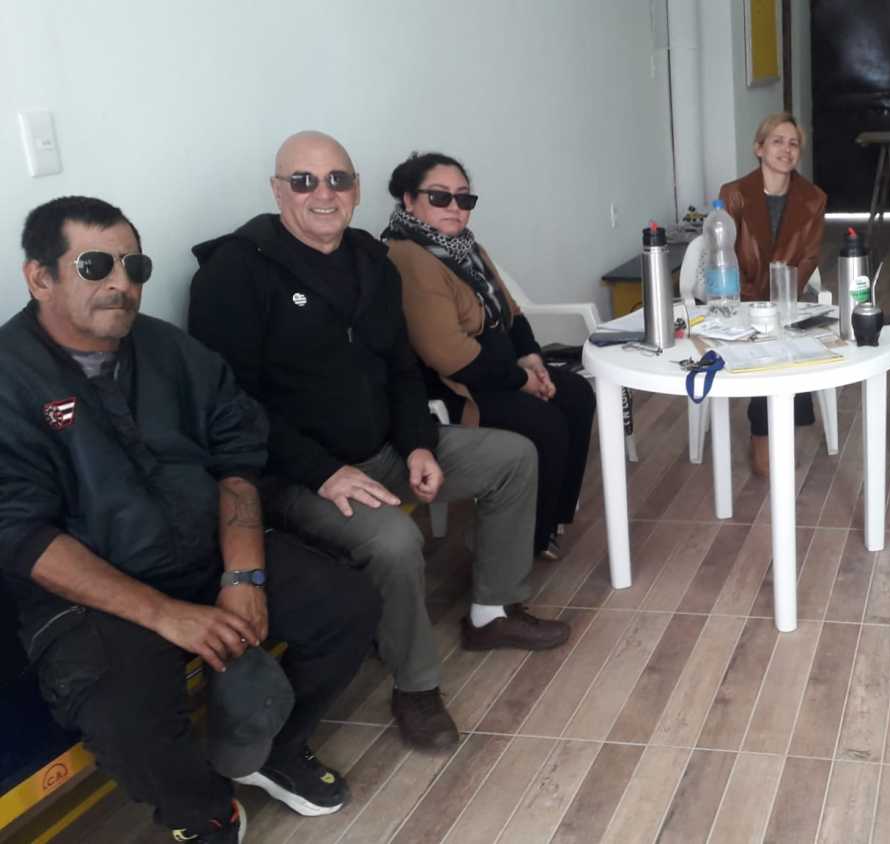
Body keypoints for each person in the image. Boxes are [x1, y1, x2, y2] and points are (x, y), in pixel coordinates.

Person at [0, 196, 381, 842]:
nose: (122, 283)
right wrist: (164, 614)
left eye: (134, 266)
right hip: (91, 591)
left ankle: (269, 750)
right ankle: (204, 812)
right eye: (95, 266)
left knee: (347, 606)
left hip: (203, 550)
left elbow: (237, 459)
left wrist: (244, 576)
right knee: (127, 716)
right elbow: (23, 535)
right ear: (40, 277)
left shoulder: (170, 350)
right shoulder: (10, 380)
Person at [189, 131, 571, 754]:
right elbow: (234, 407)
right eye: (304, 181)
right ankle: (416, 686)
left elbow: (399, 369)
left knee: (512, 456)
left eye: (338, 179)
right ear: (278, 190)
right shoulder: (233, 274)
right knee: (394, 541)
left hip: (386, 450)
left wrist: (418, 444)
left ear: (357, 188)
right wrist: (323, 472)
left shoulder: (370, 260)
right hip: (296, 476)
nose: (323, 194)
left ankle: (492, 613)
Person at [384, 151, 595, 561]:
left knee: (575, 394)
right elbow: (449, 355)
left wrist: (531, 358)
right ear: (409, 200)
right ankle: (524, 540)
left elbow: (511, 311)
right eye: (439, 197)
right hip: (456, 387)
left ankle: (550, 518)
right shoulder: (408, 256)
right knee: (545, 421)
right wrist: (523, 380)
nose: (455, 207)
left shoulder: (467, 248)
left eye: (463, 198)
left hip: (499, 370)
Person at [717, 112, 829, 475]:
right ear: (759, 148)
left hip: (789, 298)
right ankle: (764, 428)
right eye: (777, 141)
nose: (786, 149)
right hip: (741, 299)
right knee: (763, 338)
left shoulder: (813, 198)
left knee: (789, 336)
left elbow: (808, 257)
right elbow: (725, 257)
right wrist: (754, 306)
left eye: (793, 143)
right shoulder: (733, 194)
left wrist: (780, 303)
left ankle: (784, 421)